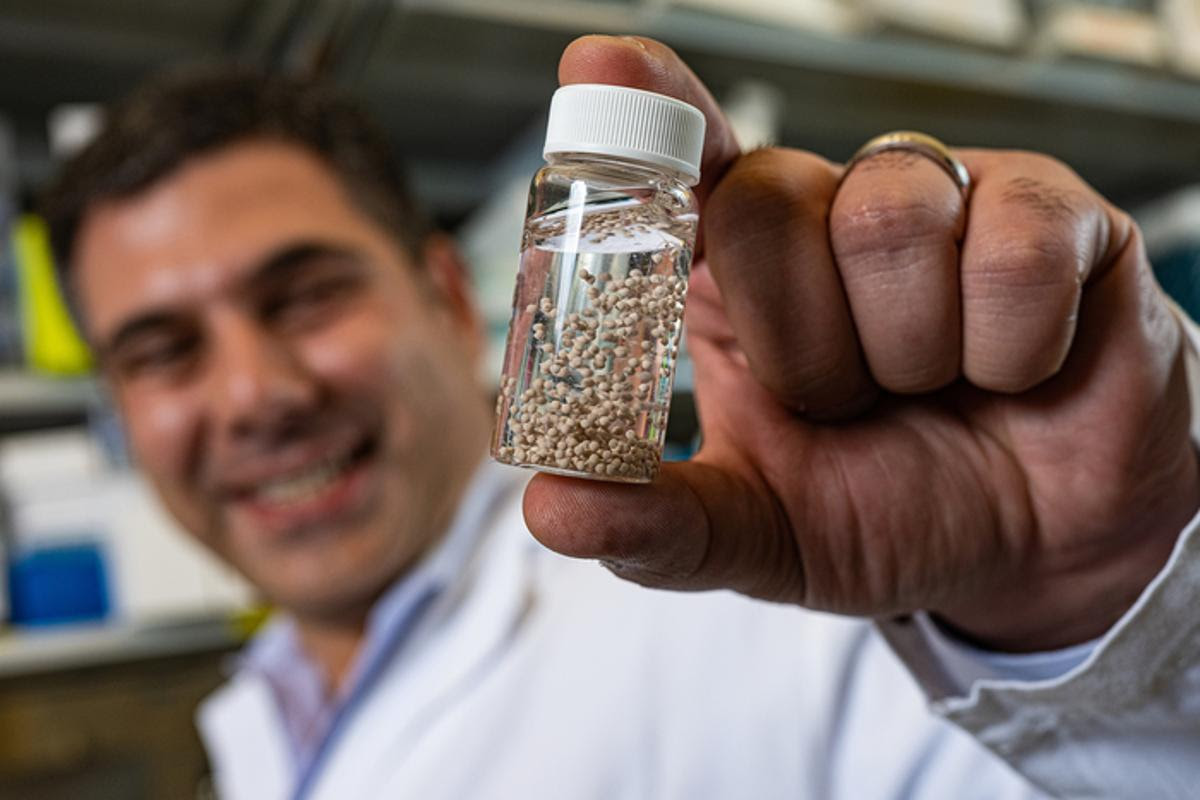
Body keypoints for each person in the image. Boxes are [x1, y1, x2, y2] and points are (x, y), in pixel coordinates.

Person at [42, 34, 1200, 800]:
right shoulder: (263, 705)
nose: (255, 393)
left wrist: (1090, 621)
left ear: (452, 299)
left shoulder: (793, 618)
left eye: (305, 295)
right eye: (162, 351)